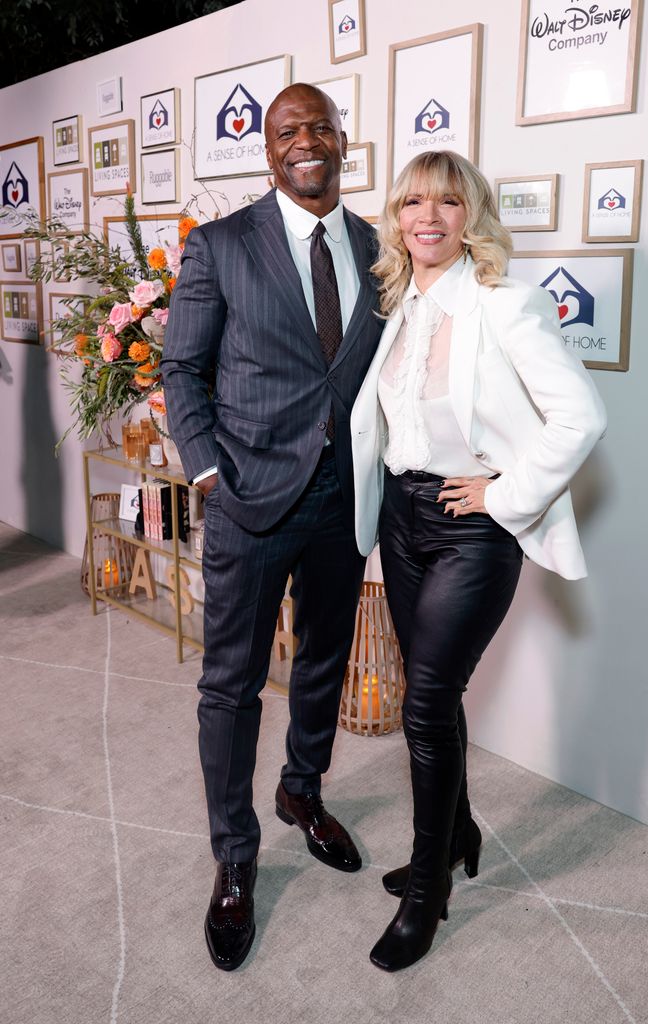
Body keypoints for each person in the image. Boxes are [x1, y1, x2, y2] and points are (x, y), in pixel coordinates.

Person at [351, 150, 607, 972]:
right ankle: (457, 831)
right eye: (412, 203)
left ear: (472, 217)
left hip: (474, 528)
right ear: (395, 219)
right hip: (402, 516)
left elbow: (580, 419)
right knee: (431, 687)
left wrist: (502, 494)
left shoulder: (505, 303)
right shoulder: (397, 306)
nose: (428, 217)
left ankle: (429, 887)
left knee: (423, 703)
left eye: (448, 203)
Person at [161, 83, 383, 971]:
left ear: (341, 139)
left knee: (324, 660)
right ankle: (234, 856)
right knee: (232, 686)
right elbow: (182, 368)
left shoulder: (374, 245)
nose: (306, 142)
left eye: (320, 127)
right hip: (251, 502)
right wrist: (211, 472)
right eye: (287, 130)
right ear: (267, 150)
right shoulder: (219, 245)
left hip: (342, 501)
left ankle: (302, 791)